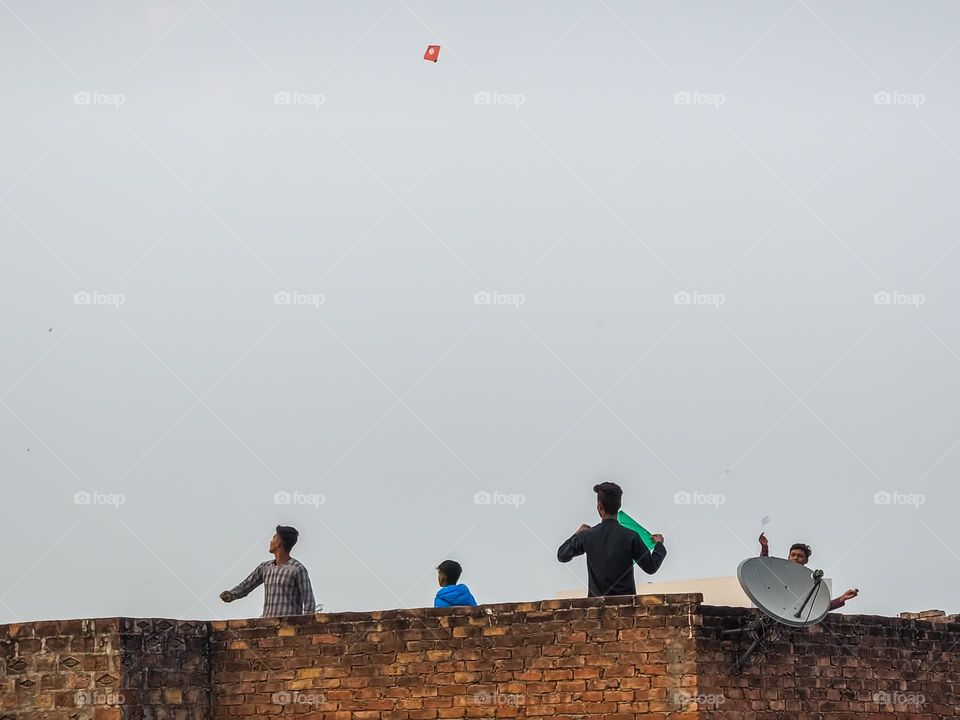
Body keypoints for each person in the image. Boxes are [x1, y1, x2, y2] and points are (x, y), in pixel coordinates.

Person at [557, 482, 667, 597]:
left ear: (600, 507)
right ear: (619, 505)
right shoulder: (631, 536)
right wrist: (659, 544)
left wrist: (577, 534)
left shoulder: (587, 535)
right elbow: (651, 567)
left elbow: (562, 555)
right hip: (626, 608)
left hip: (597, 609)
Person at [220, 525, 316, 617]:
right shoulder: (265, 567)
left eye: (274, 538)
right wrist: (231, 594)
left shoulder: (297, 569)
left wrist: (303, 628)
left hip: (289, 629)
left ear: (279, 543)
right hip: (268, 627)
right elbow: (247, 585)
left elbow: (309, 603)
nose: (271, 541)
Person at [758, 532, 859, 610]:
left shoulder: (811, 582)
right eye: (793, 555)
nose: (795, 558)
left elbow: (817, 609)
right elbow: (764, 568)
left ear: (806, 560)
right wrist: (765, 548)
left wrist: (842, 598)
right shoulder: (778, 573)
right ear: (788, 557)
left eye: (800, 556)